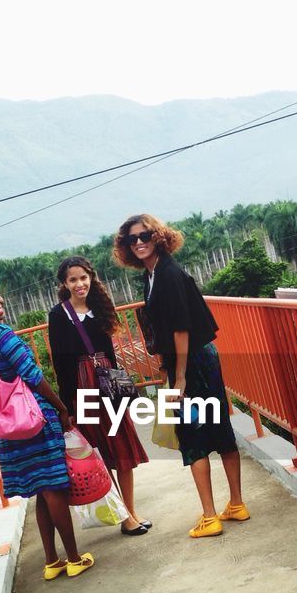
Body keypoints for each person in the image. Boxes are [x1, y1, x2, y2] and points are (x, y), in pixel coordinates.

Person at [112, 214, 248, 538]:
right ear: (126, 247)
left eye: (145, 235)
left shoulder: (167, 274)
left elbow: (181, 330)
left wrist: (180, 378)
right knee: (219, 427)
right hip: (200, 360)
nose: (140, 242)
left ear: (158, 236)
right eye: (133, 239)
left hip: (192, 365)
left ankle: (210, 516)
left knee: (192, 435)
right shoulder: (155, 273)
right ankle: (237, 504)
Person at [0, 275, 94, 580]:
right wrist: (62, 408)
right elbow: (32, 375)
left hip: (11, 427)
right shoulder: (3, 334)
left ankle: (51, 561)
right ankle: (73, 557)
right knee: (54, 487)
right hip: (34, 419)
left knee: (39, 491)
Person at [47, 257, 152, 535]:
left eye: (83, 278)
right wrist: (67, 406)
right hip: (82, 388)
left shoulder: (101, 308)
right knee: (100, 454)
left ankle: (130, 511)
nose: (80, 284)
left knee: (122, 447)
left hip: (107, 383)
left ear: (91, 277)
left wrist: (119, 389)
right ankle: (124, 516)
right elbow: (60, 364)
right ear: (64, 284)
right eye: (73, 280)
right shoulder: (59, 315)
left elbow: (112, 355)